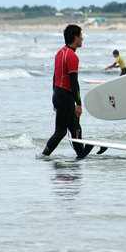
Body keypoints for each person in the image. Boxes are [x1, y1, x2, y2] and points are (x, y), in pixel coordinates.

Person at [42, 24, 93, 159]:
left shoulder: (60, 53)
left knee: (75, 127)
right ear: (75, 37)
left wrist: (55, 98)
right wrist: (79, 103)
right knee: (60, 132)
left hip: (59, 93)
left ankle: (81, 155)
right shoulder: (72, 56)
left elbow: (55, 77)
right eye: (81, 36)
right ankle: (44, 155)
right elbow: (74, 82)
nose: (82, 39)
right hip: (66, 95)